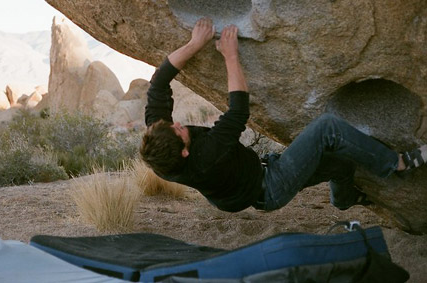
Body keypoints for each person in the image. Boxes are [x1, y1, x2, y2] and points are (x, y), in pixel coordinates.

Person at [140, 17, 427, 212]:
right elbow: (238, 111)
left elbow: (159, 82)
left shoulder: (160, 143)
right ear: (185, 153)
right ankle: (397, 163)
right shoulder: (206, 158)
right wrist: (230, 55)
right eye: (179, 131)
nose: (178, 124)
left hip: (249, 179)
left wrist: (194, 44)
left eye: (172, 125)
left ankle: (344, 200)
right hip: (270, 187)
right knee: (328, 128)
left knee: (340, 165)